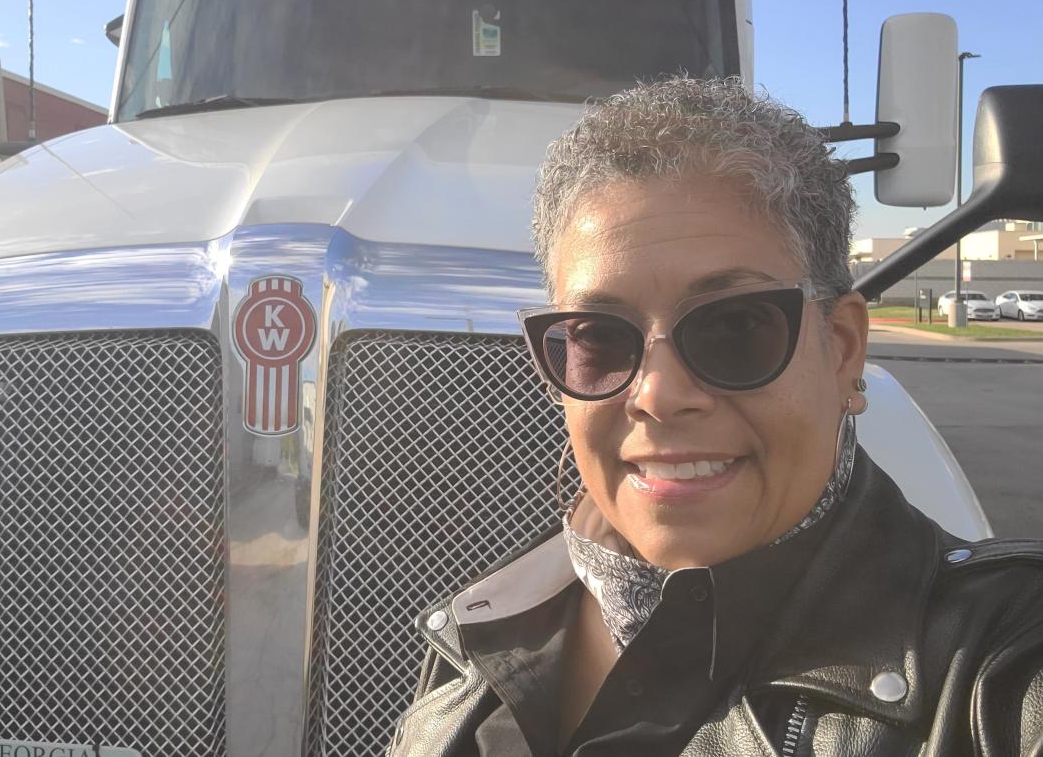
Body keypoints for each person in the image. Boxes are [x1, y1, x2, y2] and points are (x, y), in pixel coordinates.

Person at [386, 78, 1043, 756]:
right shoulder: (481, 629)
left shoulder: (1001, 666)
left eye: (735, 328)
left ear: (843, 349)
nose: (658, 395)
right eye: (599, 337)